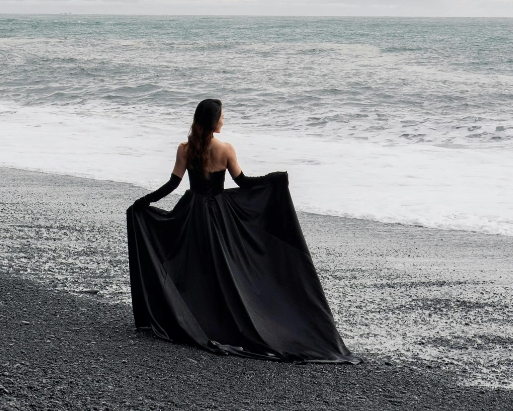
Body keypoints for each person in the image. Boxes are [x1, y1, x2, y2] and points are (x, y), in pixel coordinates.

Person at [125, 99, 358, 363]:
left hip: (192, 212)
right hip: (219, 215)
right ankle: (222, 318)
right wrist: (275, 180)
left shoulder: (184, 149)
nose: (224, 120)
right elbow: (245, 183)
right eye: (222, 116)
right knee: (225, 268)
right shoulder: (225, 149)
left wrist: (144, 202)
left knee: (196, 267)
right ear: (213, 120)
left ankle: (195, 313)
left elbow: (172, 185)